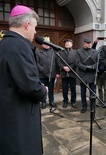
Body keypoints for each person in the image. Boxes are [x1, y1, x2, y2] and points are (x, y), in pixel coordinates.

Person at [0, 5, 47, 155]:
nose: (35, 31)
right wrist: (43, 91)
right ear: (27, 25)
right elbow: (29, 86)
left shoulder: (4, 44)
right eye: (34, 26)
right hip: (19, 117)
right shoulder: (20, 46)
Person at [36, 36, 59, 109]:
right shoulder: (39, 52)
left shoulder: (53, 52)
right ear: (42, 44)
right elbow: (36, 63)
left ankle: (51, 101)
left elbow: (57, 63)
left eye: (48, 43)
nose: (46, 45)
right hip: (42, 74)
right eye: (45, 43)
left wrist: (57, 72)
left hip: (51, 74)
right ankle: (43, 102)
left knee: (51, 89)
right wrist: (42, 69)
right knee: (43, 89)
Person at [76, 38, 98, 113]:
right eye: (87, 43)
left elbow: (98, 62)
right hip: (83, 74)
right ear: (84, 43)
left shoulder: (95, 51)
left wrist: (93, 67)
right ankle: (84, 106)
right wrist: (86, 68)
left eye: (90, 43)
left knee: (93, 92)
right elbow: (77, 63)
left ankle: (92, 106)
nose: (89, 44)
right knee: (83, 92)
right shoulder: (79, 51)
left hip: (92, 74)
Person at [57, 39, 77, 108]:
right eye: (66, 43)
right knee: (64, 89)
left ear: (72, 44)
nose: (67, 44)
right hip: (64, 73)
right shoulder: (60, 52)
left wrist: (70, 68)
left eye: (69, 43)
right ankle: (65, 101)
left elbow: (76, 62)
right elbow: (58, 62)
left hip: (72, 73)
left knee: (73, 89)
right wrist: (63, 67)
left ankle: (73, 101)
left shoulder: (75, 52)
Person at [92, 37, 106, 107]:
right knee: (99, 88)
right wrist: (95, 43)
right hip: (99, 74)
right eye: (100, 49)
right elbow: (92, 50)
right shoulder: (97, 55)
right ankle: (100, 101)